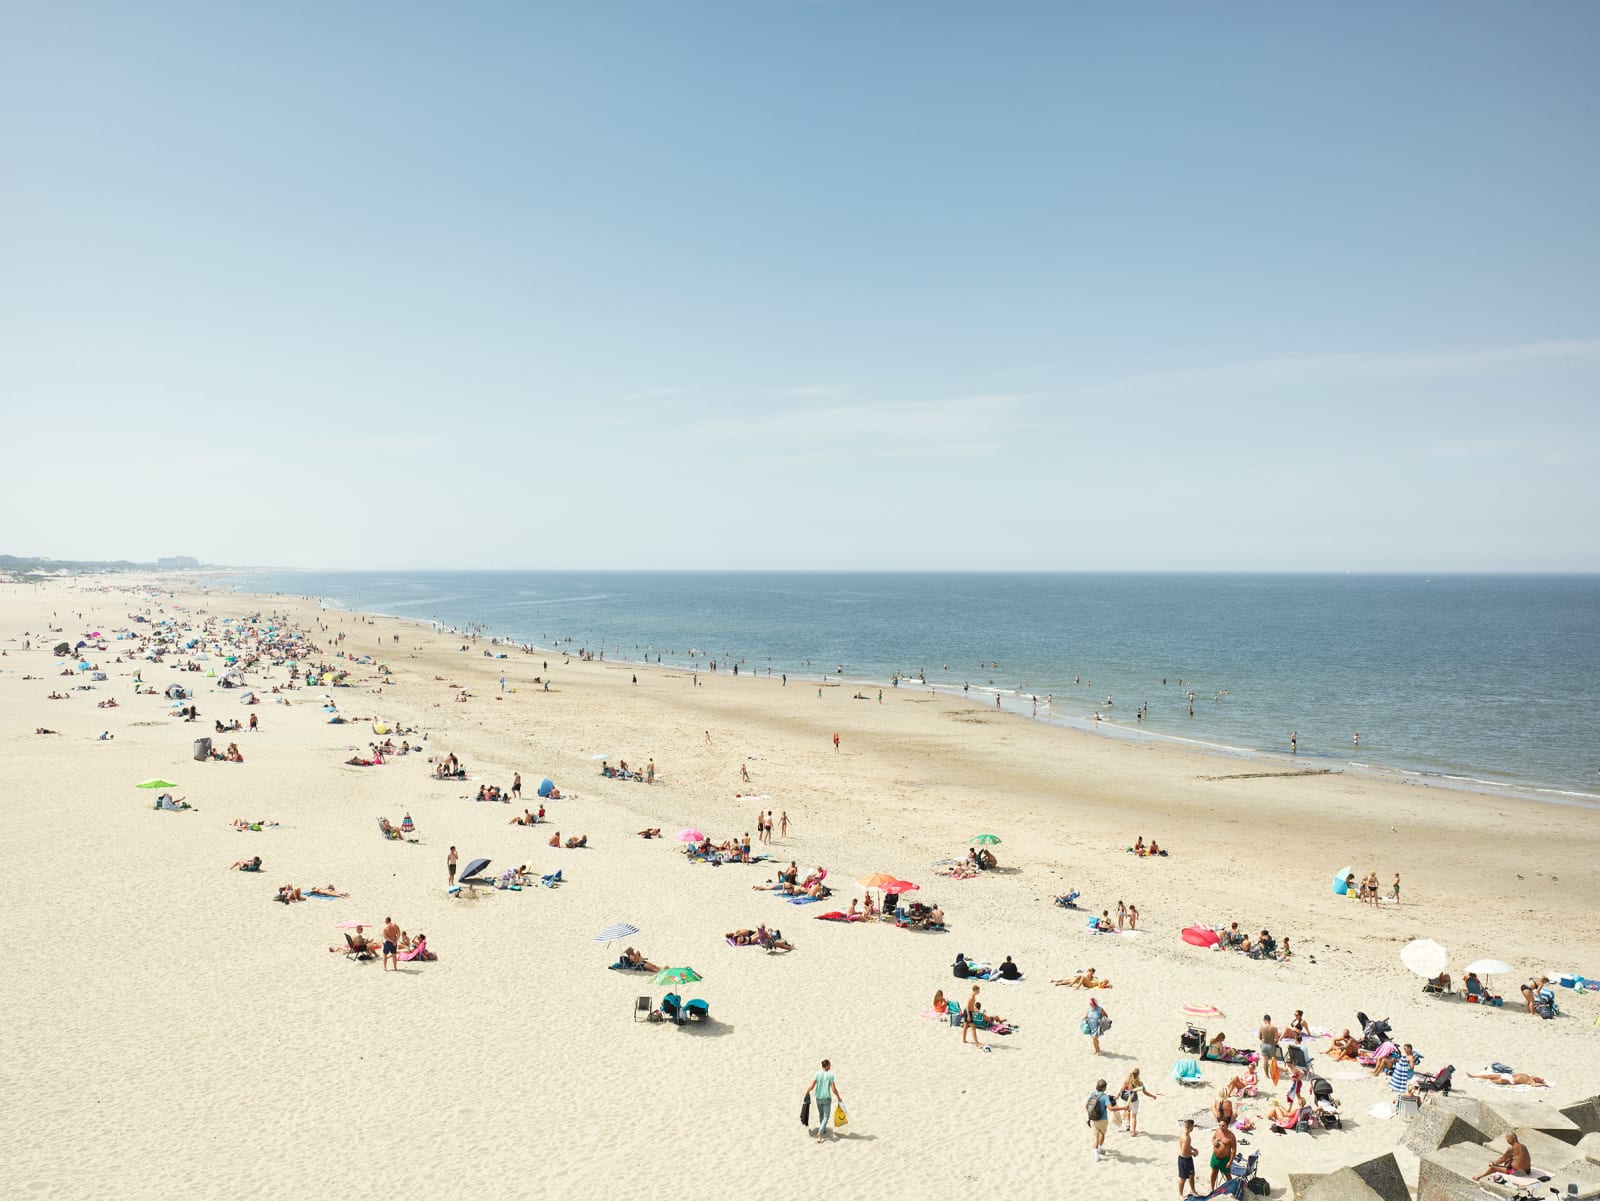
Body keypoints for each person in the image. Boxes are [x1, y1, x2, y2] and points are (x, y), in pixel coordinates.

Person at [803, 1058, 842, 1144]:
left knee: (821, 1114)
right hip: (826, 1099)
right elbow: (833, 1089)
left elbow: (812, 1086)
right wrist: (838, 1097)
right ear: (827, 1066)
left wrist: (807, 1091)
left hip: (818, 1098)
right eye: (829, 1065)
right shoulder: (830, 1076)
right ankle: (820, 1133)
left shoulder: (817, 1074)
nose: (830, 1066)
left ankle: (823, 1130)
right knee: (826, 1116)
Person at [1114, 1067, 1158, 1136]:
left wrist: (1117, 1096)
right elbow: (1145, 1092)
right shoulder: (1139, 1082)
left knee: (1128, 1110)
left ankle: (1128, 1126)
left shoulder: (1127, 1080)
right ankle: (1133, 1132)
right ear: (1138, 1075)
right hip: (1134, 1100)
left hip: (1126, 1099)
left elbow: (1122, 1089)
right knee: (1134, 1116)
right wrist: (1152, 1096)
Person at [1208, 1120, 1237, 1193]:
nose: (1221, 1127)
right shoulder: (1218, 1131)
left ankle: (1231, 1189)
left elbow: (1234, 1150)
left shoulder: (1231, 1136)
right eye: (1220, 1125)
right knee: (1214, 1172)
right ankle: (1212, 1188)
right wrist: (1213, 1142)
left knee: (1227, 1175)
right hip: (1215, 1157)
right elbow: (1213, 1138)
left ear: (1227, 1126)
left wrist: (1230, 1162)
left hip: (1225, 1159)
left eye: (1223, 1126)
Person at [1087, 1078, 1112, 1160]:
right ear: (1104, 1087)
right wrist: (1123, 1108)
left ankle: (1096, 1156)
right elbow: (1110, 1108)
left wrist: (1091, 1114)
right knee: (1102, 1134)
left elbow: (1086, 1106)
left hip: (1093, 1119)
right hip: (1103, 1119)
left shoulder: (1092, 1094)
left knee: (1096, 1137)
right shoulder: (1105, 1097)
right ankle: (1100, 1149)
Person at [1177, 1118, 1198, 1197]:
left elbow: (1186, 1146)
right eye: (1193, 1127)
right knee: (1183, 1178)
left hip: (1187, 1159)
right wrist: (1194, 1153)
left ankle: (1193, 1190)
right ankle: (1180, 1194)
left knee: (1192, 1175)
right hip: (1184, 1160)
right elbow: (1184, 1151)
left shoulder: (1183, 1132)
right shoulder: (1186, 1137)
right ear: (1191, 1127)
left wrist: (1192, 1148)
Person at [1468, 1070, 1548, 1087]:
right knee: (1489, 1075)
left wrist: (1543, 1084)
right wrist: (1540, 1079)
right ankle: (1473, 1076)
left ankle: (1493, 1081)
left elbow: (1534, 1085)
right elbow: (1535, 1076)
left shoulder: (1530, 1081)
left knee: (1496, 1080)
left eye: (1539, 1079)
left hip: (1511, 1080)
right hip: (1509, 1076)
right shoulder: (1531, 1076)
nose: (1538, 1078)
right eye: (1539, 1078)